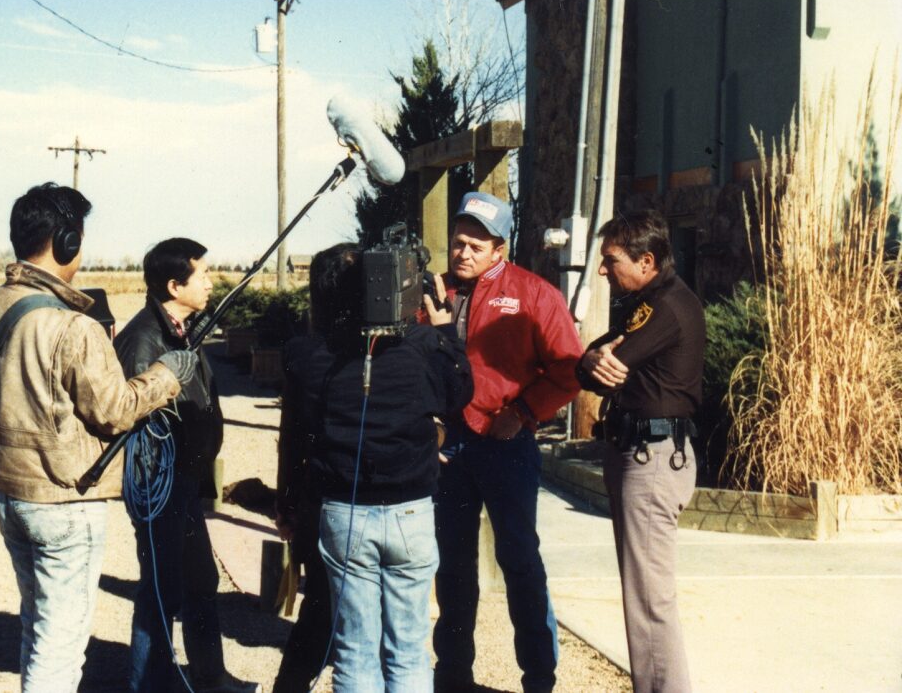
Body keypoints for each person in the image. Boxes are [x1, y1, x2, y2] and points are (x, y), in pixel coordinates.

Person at [0, 183, 198, 693]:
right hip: (66, 504)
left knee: (38, 628)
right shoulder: (76, 328)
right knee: (60, 648)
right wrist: (166, 376)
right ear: (66, 243)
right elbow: (115, 410)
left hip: (11, 496)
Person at [276, 243, 473, 692]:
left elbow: (300, 432)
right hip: (411, 512)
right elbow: (458, 393)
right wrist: (446, 333)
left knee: (356, 653)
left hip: (344, 515)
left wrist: (288, 499)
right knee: (408, 652)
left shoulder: (307, 355)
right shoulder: (421, 345)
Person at [431, 191, 583, 693]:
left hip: (506, 447)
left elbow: (569, 370)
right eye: (459, 242)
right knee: (452, 565)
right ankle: (452, 674)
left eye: (477, 246)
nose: (464, 253)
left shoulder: (535, 294)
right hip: (448, 450)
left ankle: (539, 678)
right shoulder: (433, 294)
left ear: (500, 249)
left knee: (519, 561)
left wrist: (522, 412)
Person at [114, 238, 259, 693]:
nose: (212, 282)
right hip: (161, 485)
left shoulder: (184, 330)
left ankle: (210, 679)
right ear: (175, 286)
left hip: (186, 480)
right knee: (162, 592)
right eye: (203, 274)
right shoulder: (143, 339)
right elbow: (138, 420)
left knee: (199, 581)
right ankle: (148, 685)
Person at [577, 210, 704, 692]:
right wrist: (592, 360)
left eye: (611, 260)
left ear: (646, 261)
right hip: (642, 451)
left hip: (652, 458)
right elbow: (590, 361)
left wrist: (595, 362)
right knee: (645, 599)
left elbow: (605, 363)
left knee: (649, 603)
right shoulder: (646, 302)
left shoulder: (664, 306)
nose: (602, 270)